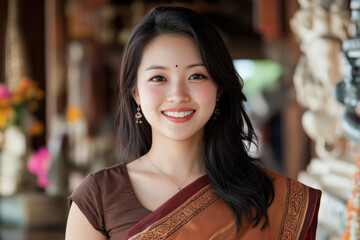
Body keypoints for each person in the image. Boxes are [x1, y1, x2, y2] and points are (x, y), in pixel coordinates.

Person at [65, 6, 321, 240]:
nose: (178, 94)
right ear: (136, 94)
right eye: (158, 78)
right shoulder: (98, 198)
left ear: (219, 89)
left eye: (196, 75)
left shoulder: (272, 197)